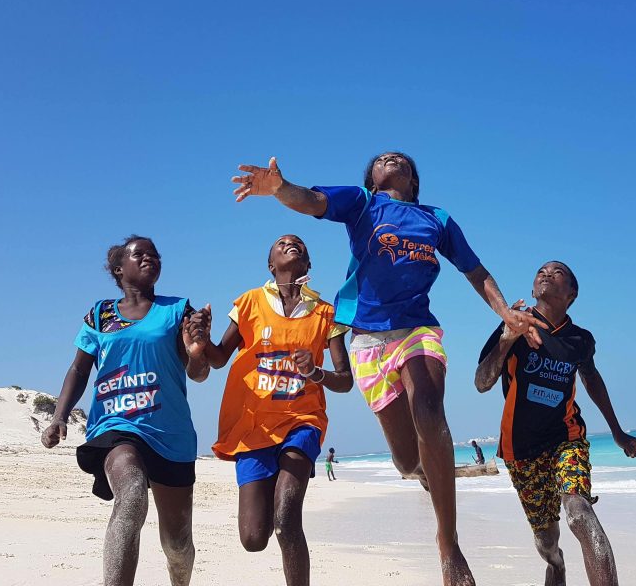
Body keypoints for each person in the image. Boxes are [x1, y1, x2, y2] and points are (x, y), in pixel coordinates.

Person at [232, 153, 545, 586]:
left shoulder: (437, 218)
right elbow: (312, 200)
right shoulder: (363, 204)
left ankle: (448, 543)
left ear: (414, 180)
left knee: (430, 411)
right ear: (373, 179)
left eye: (400, 159)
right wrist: (280, 190)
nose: (390, 157)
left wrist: (505, 314)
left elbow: (475, 271)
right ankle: (425, 476)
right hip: (367, 340)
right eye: (381, 159)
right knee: (405, 461)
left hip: (417, 329)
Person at [42, 236, 211, 586]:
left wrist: (197, 350)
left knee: (177, 545)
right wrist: (59, 415)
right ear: (120, 269)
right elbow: (79, 369)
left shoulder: (179, 310)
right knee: (132, 493)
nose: (149, 257)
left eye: (154, 254)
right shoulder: (100, 314)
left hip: (170, 434)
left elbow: (199, 373)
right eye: (139, 254)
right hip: (114, 423)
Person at [199, 234, 353, 586]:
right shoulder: (250, 303)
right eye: (282, 243)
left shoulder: (326, 313)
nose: (290, 243)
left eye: (298, 243)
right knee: (254, 538)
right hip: (252, 428)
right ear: (271, 265)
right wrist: (201, 339)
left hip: (303, 422)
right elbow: (219, 358)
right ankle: (265, 485)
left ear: (308, 265)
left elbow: (344, 380)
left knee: (286, 516)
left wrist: (315, 372)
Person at [475, 261, 636, 586]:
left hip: (566, 438)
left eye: (558, 272)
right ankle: (556, 565)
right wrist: (508, 338)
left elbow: (592, 380)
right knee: (547, 541)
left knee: (579, 512)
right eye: (541, 272)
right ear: (534, 289)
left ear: (571, 294)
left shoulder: (580, 340)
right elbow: (482, 382)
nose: (546, 274)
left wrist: (617, 432)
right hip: (519, 449)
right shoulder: (515, 323)